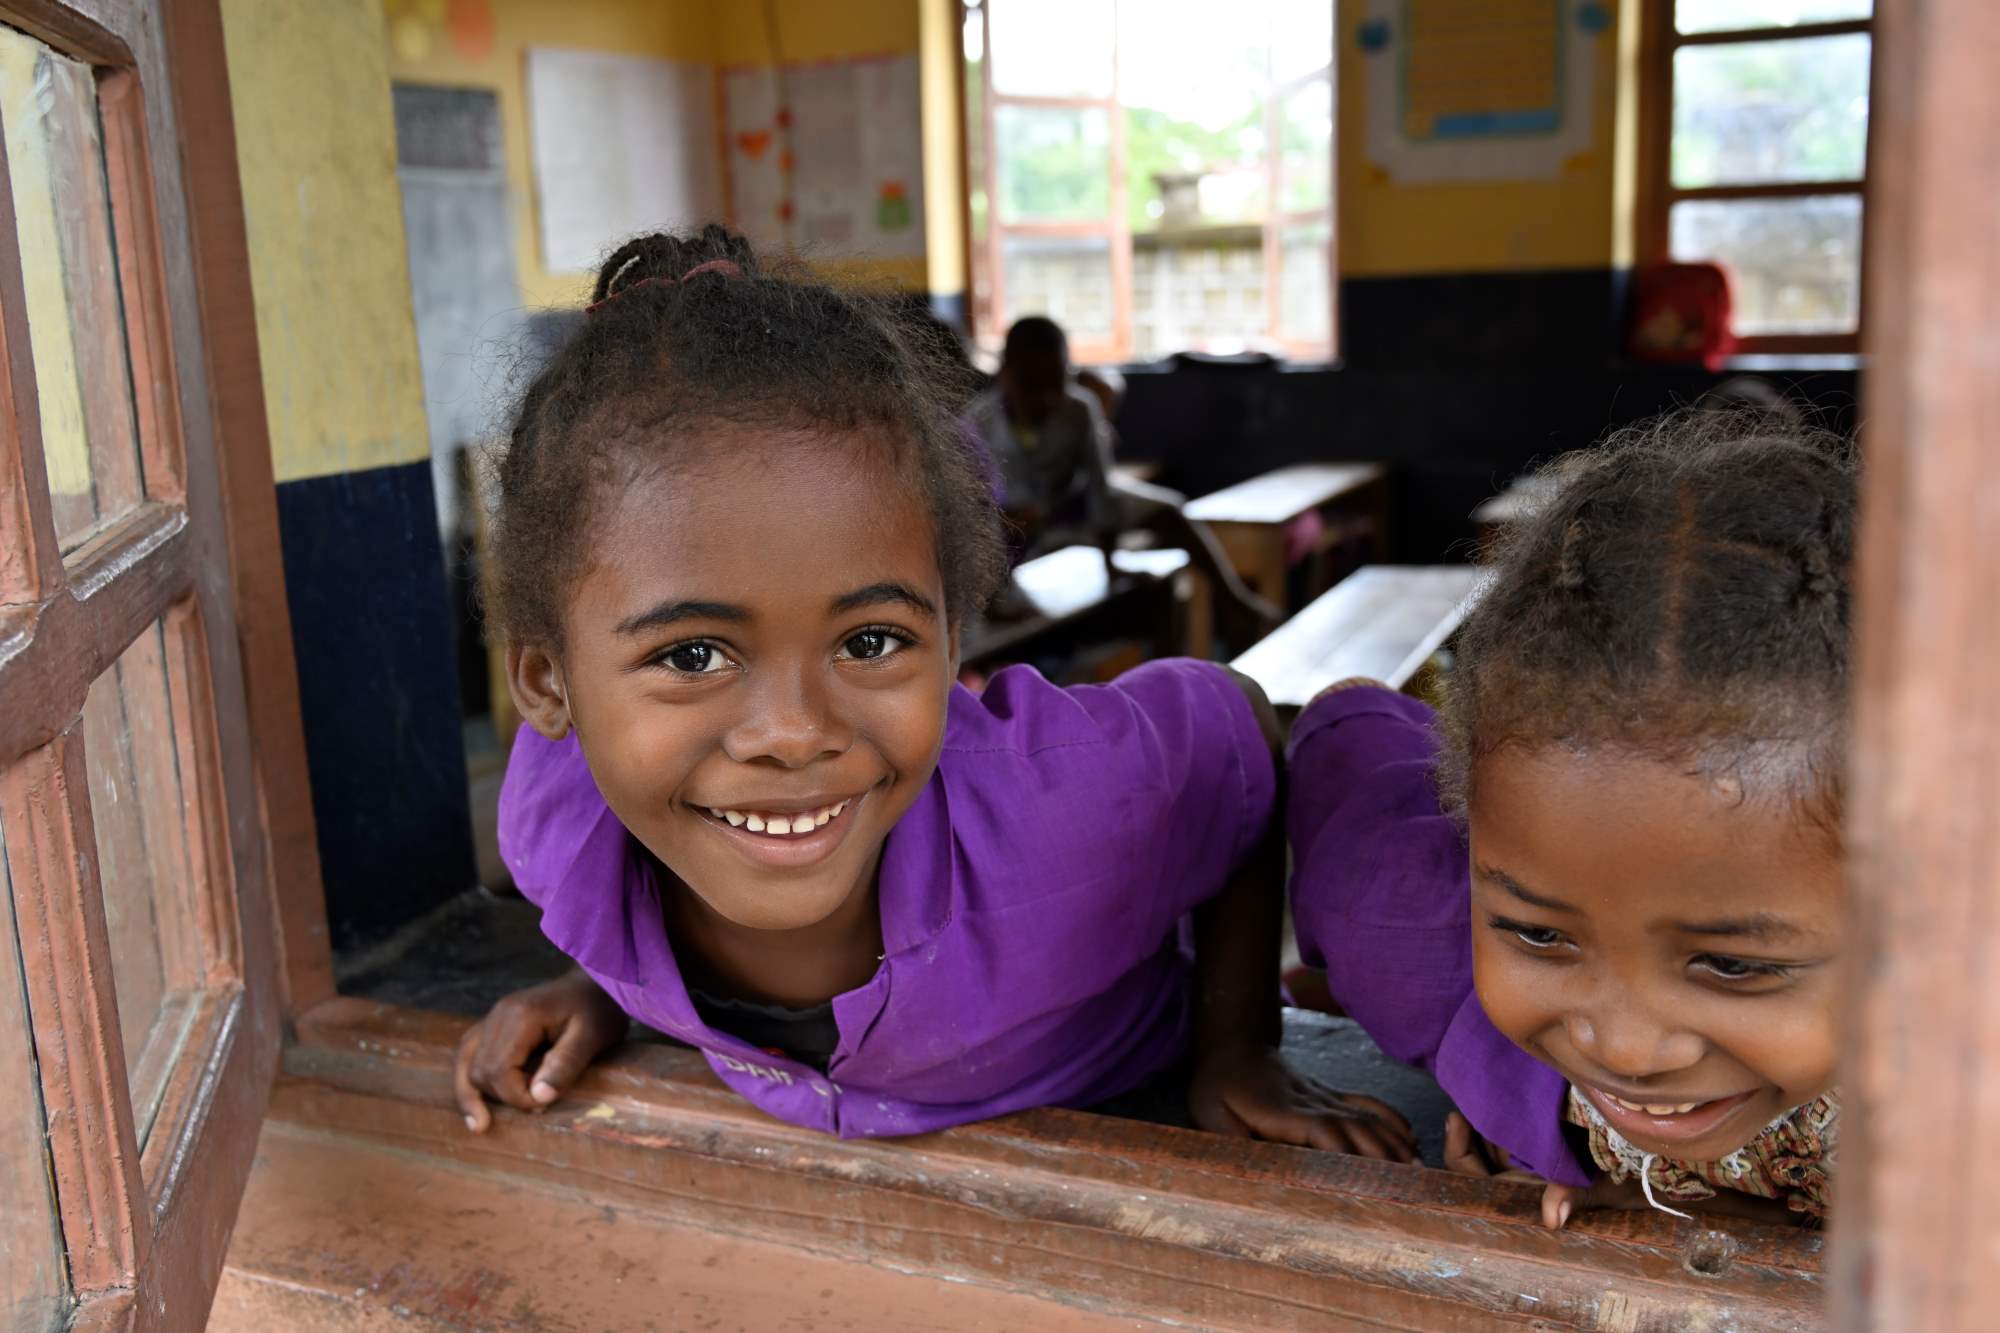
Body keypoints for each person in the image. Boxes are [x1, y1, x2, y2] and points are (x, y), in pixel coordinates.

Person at [451, 226, 1413, 1161]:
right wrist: (608, 986)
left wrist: (1238, 1041)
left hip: (1110, 1096)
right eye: (694, 656)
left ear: (953, 639)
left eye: (870, 641)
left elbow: (1233, 730)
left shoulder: (1060, 805)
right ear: (549, 683)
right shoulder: (559, 830)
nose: (792, 734)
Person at [1288, 410, 1852, 1228]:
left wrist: (1722, 1225)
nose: (1622, 1051)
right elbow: (1341, 737)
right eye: (1541, 934)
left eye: (1732, 964)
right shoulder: (1401, 926)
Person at [962, 317, 1281, 651]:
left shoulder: (1081, 409)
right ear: (1005, 374)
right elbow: (973, 506)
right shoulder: (979, 421)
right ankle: (997, 604)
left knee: (1170, 510)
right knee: (990, 530)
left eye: (1056, 383)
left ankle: (1234, 598)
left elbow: (1101, 489)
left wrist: (1111, 565)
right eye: (1031, 385)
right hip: (1007, 524)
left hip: (1071, 507)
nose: (1045, 397)